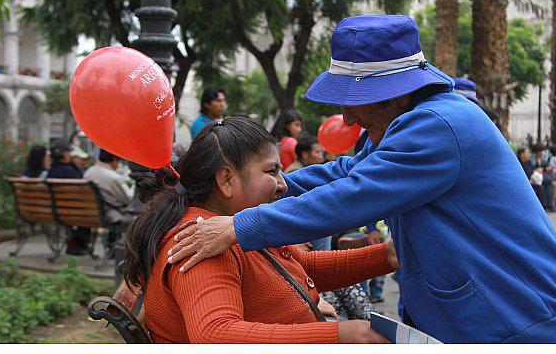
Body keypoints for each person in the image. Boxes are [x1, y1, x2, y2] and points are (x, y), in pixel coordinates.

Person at [168, 14, 556, 343]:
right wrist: (273, 184)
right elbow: (346, 172)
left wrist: (239, 226)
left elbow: (351, 197)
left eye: (357, 101)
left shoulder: (437, 127)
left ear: (395, 90)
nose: (349, 116)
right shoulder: (402, 122)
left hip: (521, 320)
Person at [120, 117, 395, 343]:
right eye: (272, 171)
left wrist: (389, 256)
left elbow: (302, 267)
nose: (283, 184)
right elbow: (215, 334)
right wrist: (336, 335)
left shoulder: (232, 224)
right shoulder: (201, 241)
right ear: (226, 179)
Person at [84, 149, 136, 224]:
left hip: (88, 214)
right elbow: (128, 200)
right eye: (119, 161)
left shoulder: (88, 172)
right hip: (110, 216)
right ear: (114, 160)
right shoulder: (113, 177)